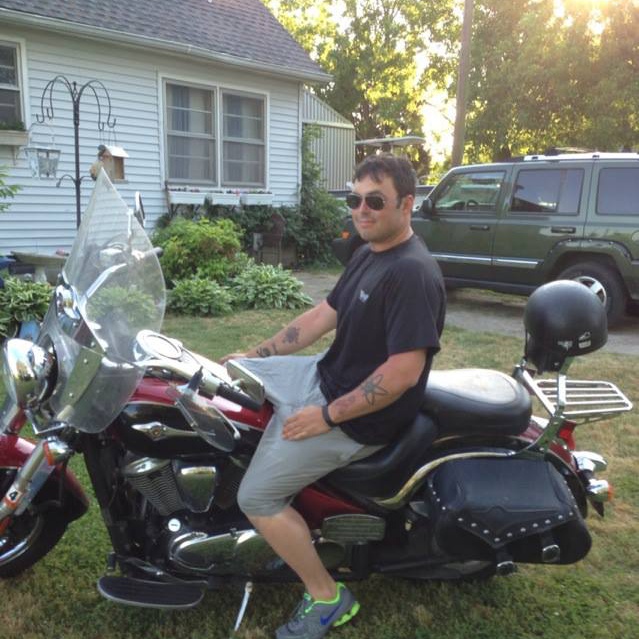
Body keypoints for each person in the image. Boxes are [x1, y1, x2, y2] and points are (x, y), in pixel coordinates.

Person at [221, 153, 446, 639]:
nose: (361, 210)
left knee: (257, 496)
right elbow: (322, 316)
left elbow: (403, 373)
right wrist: (253, 356)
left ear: (406, 204)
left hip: (361, 418)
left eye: (375, 201)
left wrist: (326, 417)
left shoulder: (412, 273)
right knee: (226, 383)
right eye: (354, 199)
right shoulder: (369, 251)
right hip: (324, 376)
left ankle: (326, 596)